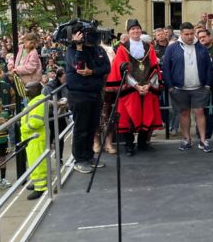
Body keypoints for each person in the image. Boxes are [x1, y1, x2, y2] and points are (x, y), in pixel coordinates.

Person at [106, 19, 162, 157]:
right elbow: (121, 70)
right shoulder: (122, 48)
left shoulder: (148, 47)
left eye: (137, 28)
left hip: (147, 88)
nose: (135, 31)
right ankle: (129, 146)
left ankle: (142, 143)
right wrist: (136, 86)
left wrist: (148, 85)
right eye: (132, 29)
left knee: (146, 115)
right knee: (128, 116)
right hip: (130, 89)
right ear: (128, 32)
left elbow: (155, 67)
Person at [66, 27, 111, 174]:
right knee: (81, 128)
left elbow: (106, 67)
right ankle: (79, 160)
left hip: (95, 93)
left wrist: (92, 72)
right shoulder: (72, 50)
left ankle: (89, 156)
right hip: (79, 95)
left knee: (92, 127)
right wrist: (78, 47)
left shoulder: (98, 50)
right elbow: (79, 68)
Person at [163, 22, 213, 153]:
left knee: (200, 112)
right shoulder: (172, 48)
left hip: (199, 87)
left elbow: (209, 67)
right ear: (181, 34)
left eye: (192, 33)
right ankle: (187, 139)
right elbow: (166, 68)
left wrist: (208, 85)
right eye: (187, 34)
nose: (190, 36)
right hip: (179, 88)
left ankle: (203, 140)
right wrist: (170, 87)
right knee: (184, 113)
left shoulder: (201, 48)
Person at [21, 82, 47, 200]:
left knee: (38, 163)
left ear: (36, 89)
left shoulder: (38, 102)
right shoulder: (34, 100)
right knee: (32, 162)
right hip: (31, 138)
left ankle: (41, 187)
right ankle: (36, 182)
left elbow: (36, 122)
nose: (25, 90)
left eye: (28, 88)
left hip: (36, 137)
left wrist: (23, 128)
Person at [0, 90, 11, 189]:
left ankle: (3, 179)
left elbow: (10, 124)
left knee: (3, 159)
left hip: (3, 140)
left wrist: (5, 122)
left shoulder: (6, 112)